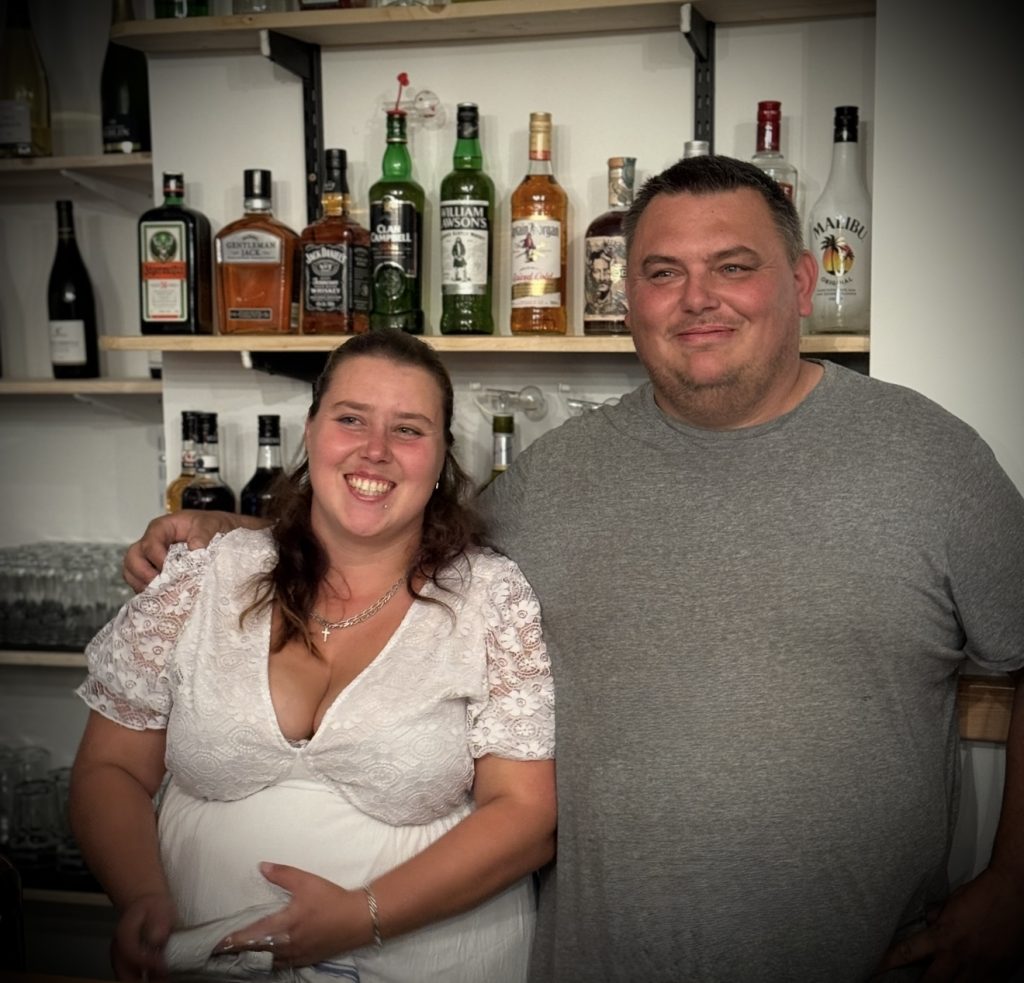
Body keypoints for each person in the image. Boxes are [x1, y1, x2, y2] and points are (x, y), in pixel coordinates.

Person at [122, 156, 1024, 982]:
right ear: (626, 298)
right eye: (662, 273)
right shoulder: (556, 478)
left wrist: (1015, 880)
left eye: (734, 267)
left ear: (800, 280)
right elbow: (388, 536)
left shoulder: (929, 459)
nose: (697, 298)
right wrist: (229, 532)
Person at [73, 330, 556, 983]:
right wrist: (141, 897)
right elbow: (109, 767)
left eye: (408, 429)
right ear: (311, 431)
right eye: (351, 418)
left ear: (442, 457)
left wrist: (363, 914)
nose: (375, 450)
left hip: (432, 962)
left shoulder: (491, 599)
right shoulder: (204, 579)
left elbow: (527, 815)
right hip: (196, 962)